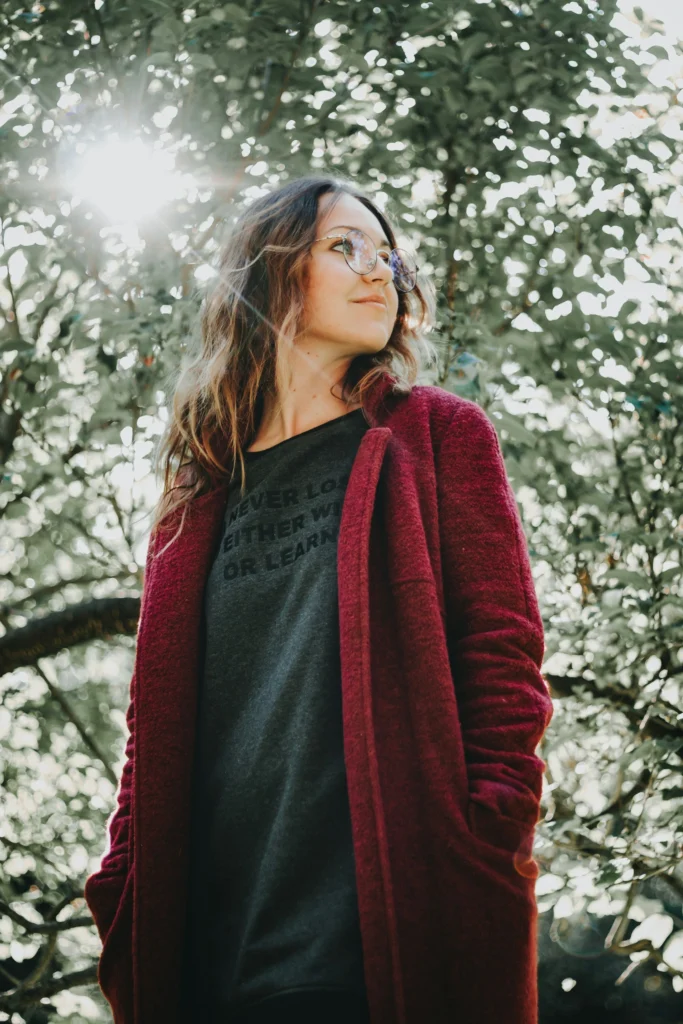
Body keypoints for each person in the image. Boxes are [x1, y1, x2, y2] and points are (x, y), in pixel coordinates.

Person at [83, 174, 554, 1024]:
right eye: (345, 247)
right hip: (204, 964)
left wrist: (484, 838)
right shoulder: (195, 496)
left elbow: (502, 663)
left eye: (388, 257)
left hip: (379, 942)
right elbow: (150, 732)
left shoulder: (436, 436)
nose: (380, 271)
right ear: (270, 271)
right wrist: (121, 885)